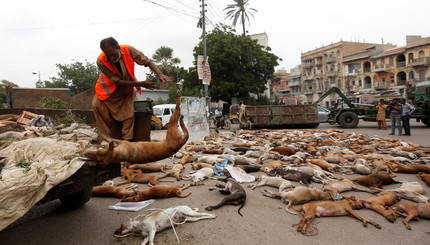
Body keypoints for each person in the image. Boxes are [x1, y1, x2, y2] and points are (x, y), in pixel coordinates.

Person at [92, 37, 169, 140]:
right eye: (108, 56)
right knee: (96, 105)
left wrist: (160, 74)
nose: (111, 58)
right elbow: (117, 81)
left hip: (125, 90)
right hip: (108, 92)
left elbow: (147, 61)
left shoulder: (129, 50)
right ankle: (107, 140)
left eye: (113, 54)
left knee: (128, 115)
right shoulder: (101, 61)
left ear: (118, 48)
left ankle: (126, 142)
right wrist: (141, 83)